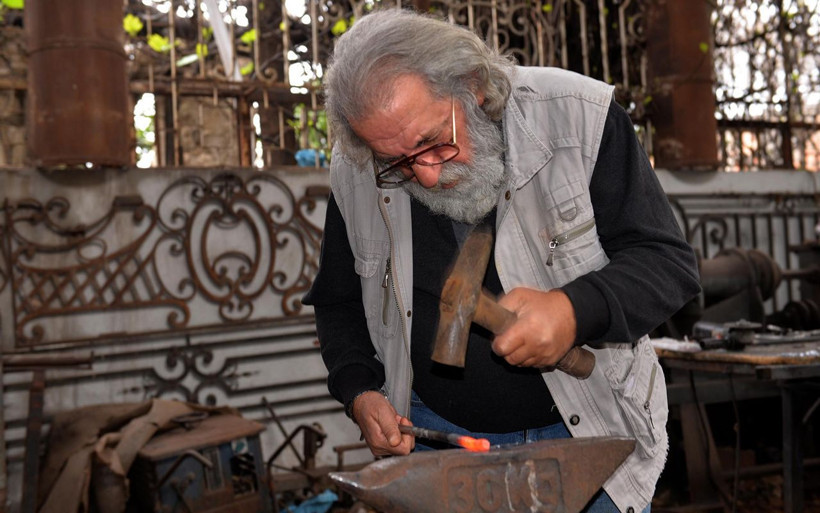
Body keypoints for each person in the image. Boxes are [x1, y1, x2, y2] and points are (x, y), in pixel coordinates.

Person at [302, 8, 701, 513]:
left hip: (588, 436)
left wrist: (576, 309)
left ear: (475, 87)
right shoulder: (360, 165)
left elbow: (667, 264)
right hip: (437, 442)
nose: (425, 175)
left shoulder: (577, 116)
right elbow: (337, 303)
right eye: (397, 163)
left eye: (431, 142)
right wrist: (360, 391)